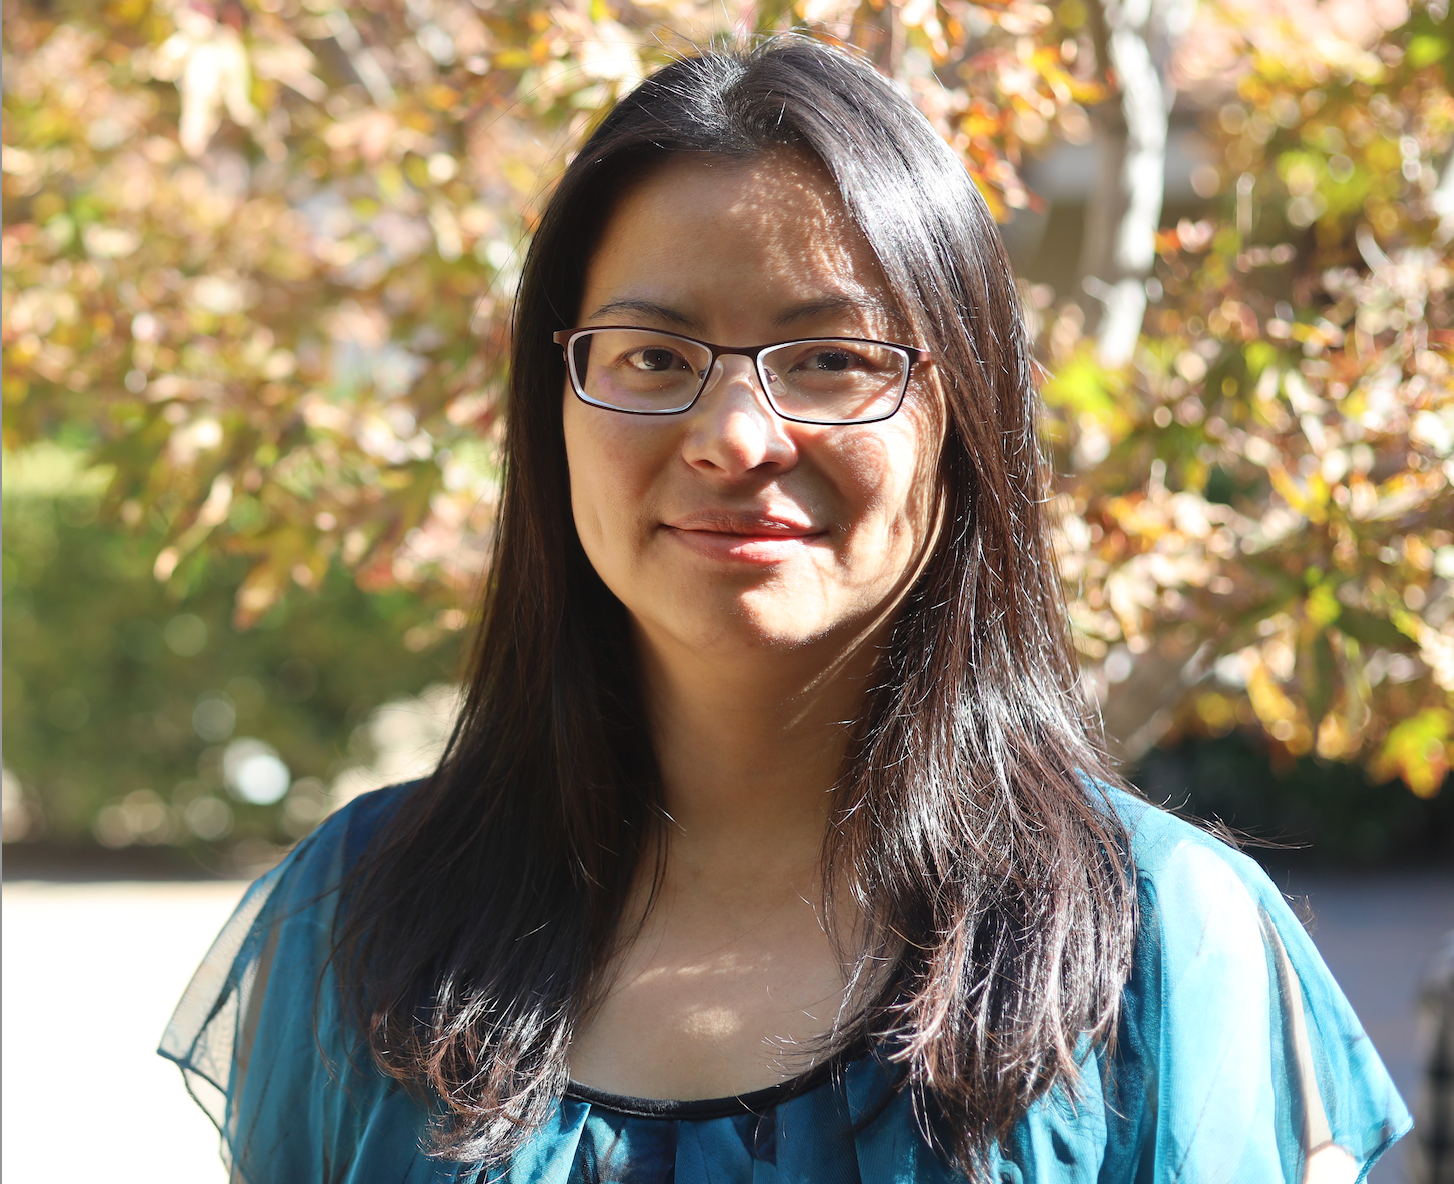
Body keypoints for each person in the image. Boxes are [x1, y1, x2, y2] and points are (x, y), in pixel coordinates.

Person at [160, 36, 1410, 1184]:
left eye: (829, 357)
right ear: (558, 409)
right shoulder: (363, 915)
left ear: (962, 416)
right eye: (652, 356)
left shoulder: (1157, 939)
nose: (736, 436)